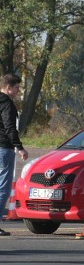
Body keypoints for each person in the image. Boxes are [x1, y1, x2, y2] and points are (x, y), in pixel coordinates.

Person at [0, 74, 29, 236]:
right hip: (4, 148)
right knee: (3, 188)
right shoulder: (7, 104)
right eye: (17, 87)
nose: (18, 90)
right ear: (8, 87)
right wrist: (19, 147)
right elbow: (10, 128)